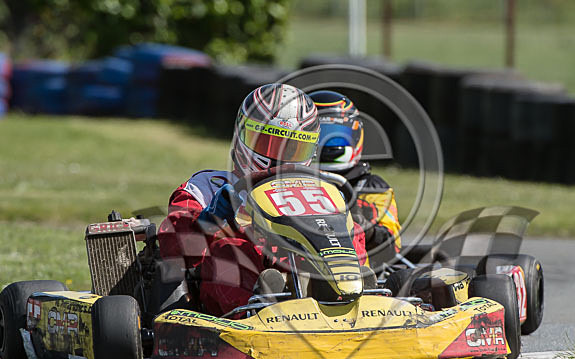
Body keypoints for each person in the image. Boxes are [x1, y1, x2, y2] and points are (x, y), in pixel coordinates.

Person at [158, 83, 367, 316]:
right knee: (232, 251)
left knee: (350, 230)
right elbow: (171, 245)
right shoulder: (206, 187)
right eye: (269, 144)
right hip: (235, 293)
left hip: (302, 270)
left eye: (294, 149)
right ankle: (255, 308)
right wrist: (211, 219)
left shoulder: (314, 190)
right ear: (242, 136)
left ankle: (358, 294)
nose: (279, 159)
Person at [309, 90, 401, 268]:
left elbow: (391, 246)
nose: (327, 145)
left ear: (355, 136)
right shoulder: (290, 182)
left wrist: (364, 226)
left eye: (336, 135)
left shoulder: (372, 187)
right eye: (319, 137)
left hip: (359, 269)